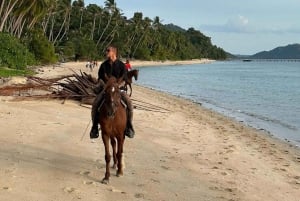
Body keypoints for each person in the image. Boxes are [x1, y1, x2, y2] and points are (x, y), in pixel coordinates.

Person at [90, 45, 135, 139]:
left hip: (119, 90)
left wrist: (117, 86)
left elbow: (125, 79)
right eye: (106, 51)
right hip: (107, 90)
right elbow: (100, 79)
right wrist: (104, 86)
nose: (106, 52)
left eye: (108, 51)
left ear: (114, 52)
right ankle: (94, 127)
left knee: (129, 104)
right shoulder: (103, 65)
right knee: (95, 104)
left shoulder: (122, 65)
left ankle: (129, 127)